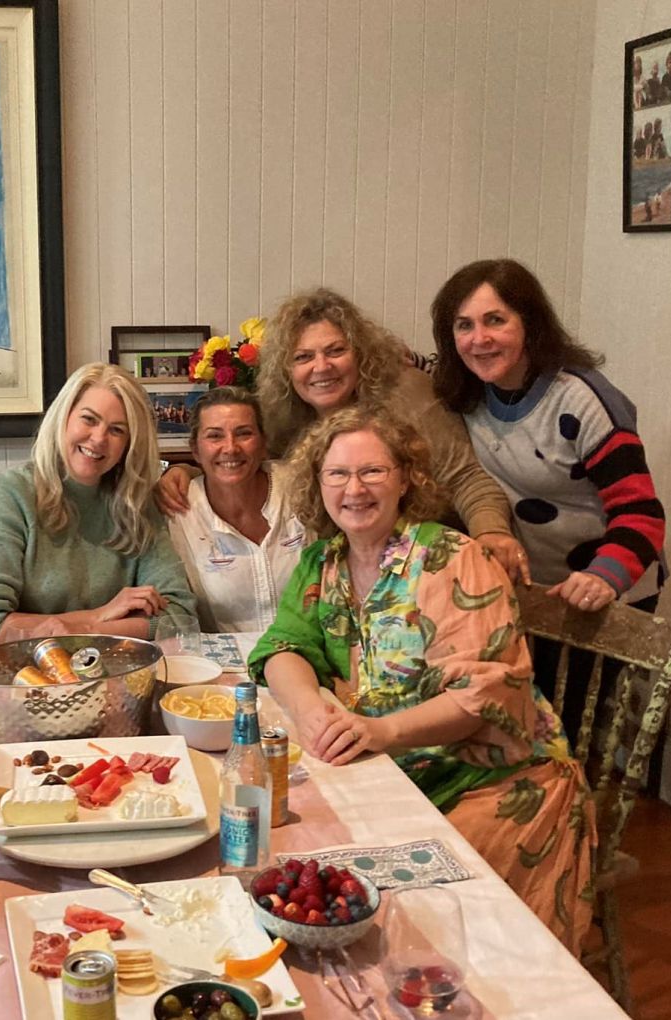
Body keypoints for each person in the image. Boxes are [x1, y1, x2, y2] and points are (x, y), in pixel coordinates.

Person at [249, 406, 594, 951]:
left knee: (400, 907)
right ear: (319, 485)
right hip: (391, 768)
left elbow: (484, 697)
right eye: (337, 474)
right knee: (289, 853)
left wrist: (381, 732)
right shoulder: (323, 562)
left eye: (373, 472)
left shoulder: (452, 558)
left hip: (490, 779)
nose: (354, 489)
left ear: (406, 478)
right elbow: (283, 647)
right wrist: (310, 711)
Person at [431, 259, 666, 722]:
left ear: (530, 324)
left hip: (600, 590)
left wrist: (604, 577)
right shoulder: (470, 387)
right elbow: (423, 366)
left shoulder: (581, 399)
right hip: (534, 590)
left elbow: (641, 513)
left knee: (572, 728)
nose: (479, 339)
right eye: (464, 325)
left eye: (495, 320)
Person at [157, 288, 526, 575]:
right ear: (286, 370)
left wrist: (492, 534)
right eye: (303, 357)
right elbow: (250, 465)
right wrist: (188, 473)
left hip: (434, 562)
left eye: (335, 351)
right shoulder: (287, 420)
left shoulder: (409, 393)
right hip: (352, 573)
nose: (321, 367)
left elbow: (467, 479)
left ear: (360, 353)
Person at [0, 363, 196, 648]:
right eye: (89, 419)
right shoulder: (12, 494)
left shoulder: (136, 502)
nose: (99, 439)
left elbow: (179, 617)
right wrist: (100, 616)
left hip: (112, 671)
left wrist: (80, 626)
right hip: (22, 674)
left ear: (129, 444)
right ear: (63, 418)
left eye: (117, 430)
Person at [165, 387, 306, 633]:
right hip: (227, 665)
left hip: (311, 655)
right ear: (195, 450)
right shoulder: (177, 511)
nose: (230, 448)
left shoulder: (300, 487)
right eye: (215, 436)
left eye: (244, 433)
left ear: (263, 444)